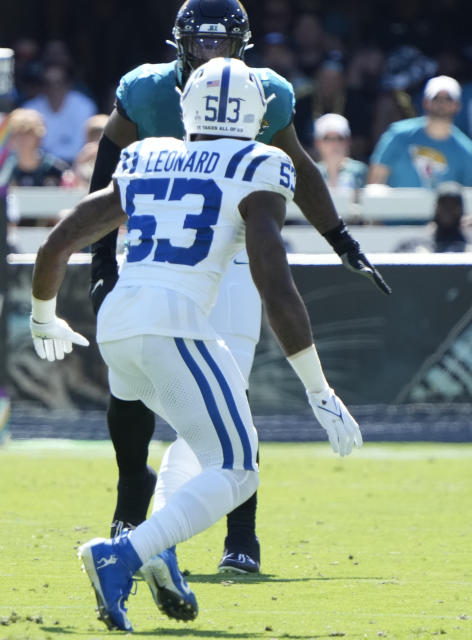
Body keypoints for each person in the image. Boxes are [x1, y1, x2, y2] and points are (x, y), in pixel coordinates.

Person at [30, 57, 363, 632]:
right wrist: (319, 387)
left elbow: (59, 241)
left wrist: (43, 316)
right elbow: (274, 283)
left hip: (120, 323)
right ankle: (124, 553)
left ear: (187, 105)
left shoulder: (147, 155)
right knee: (238, 467)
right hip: (174, 324)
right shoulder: (262, 161)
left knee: (203, 441)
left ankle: (156, 549)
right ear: (257, 114)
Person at [86, 0, 388, 576]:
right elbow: (107, 177)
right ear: (180, 42)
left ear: (242, 44)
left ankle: (229, 535)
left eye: (221, 42)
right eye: (200, 42)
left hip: (232, 262)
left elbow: (297, 166)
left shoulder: (264, 94)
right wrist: (103, 258)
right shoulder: (148, 93)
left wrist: (340, 238)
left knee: (229, 391)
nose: (210, 54)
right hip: (163, 261)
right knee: (135, 395)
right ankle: (137, 520)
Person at [367, 75, 472, 188]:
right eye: (436, 98)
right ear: (425, 102)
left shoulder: (466, 149)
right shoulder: (398, 135)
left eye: (448, 99)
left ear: (457, 106)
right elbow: (375, 183)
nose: (442, 103)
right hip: (399, 205)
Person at [21, 63, 97, 165]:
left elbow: (81, 146)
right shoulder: (30, 109)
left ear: (68, 84)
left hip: (77, 165)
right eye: (47, 84)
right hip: (41, 167)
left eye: (58, 83)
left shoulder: (84, 106)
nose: (53, 89)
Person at [394, 181, 469, 253]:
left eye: (453, 205)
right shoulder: (414, 245)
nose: (447, 210)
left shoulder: (468, 247)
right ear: (435, 207)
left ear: (462, 210)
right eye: (443, 204)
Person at [7, 108, 71, 188]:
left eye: (28, 133)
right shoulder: (5, 170)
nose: (22, 139)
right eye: (17, 133)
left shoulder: (56, 168)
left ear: (38, 137)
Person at [314, 113, 368, 191]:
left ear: (348, 142)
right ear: (318, 143)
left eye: (340, 138)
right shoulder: (313, 172)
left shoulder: (360, 171)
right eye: (327, 138)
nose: (334, 144)